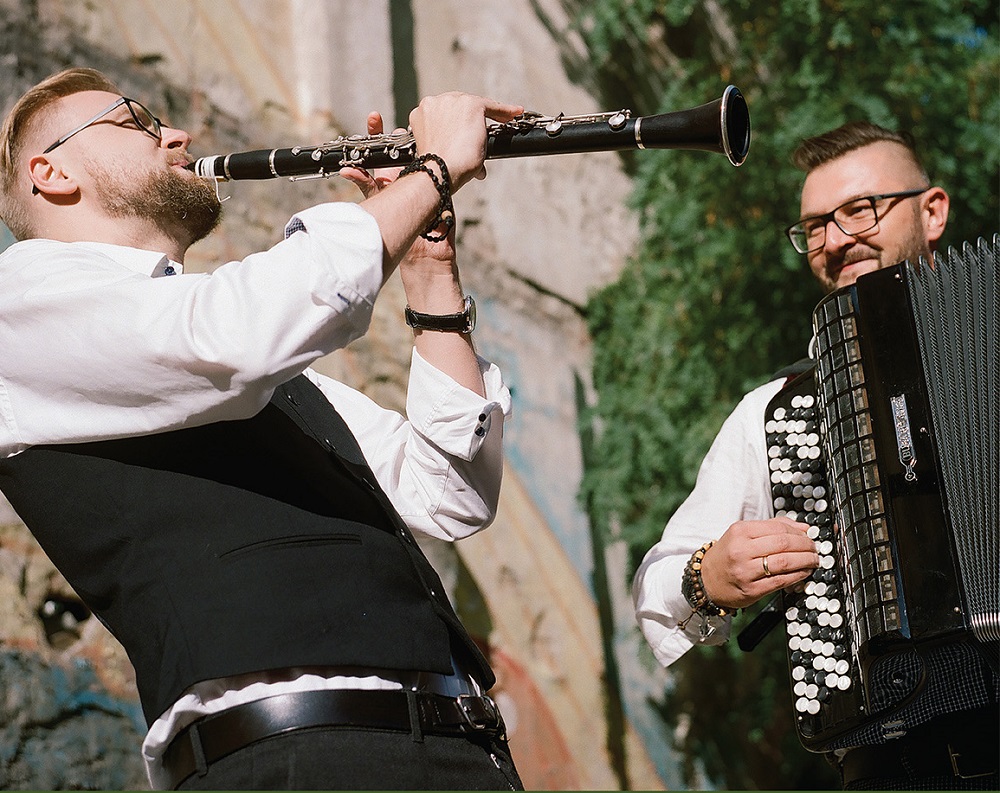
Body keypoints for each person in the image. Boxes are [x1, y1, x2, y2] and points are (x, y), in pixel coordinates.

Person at [0, 67, 527, 790]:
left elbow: (449, 495)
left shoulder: (231, 353)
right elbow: (239, 332)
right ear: (52, 172)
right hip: (292, 757)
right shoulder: (20, 308)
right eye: (136, 121)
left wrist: (430, 268)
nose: (177, 135)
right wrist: (432, 171)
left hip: (457, 750)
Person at [632, 121, 998, 789]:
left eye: (859, 210)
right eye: (814, 226)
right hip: (899, 759)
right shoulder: (776, 412)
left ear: (932, 211)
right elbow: (657, 580)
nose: (834, 240)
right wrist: (709, 575)